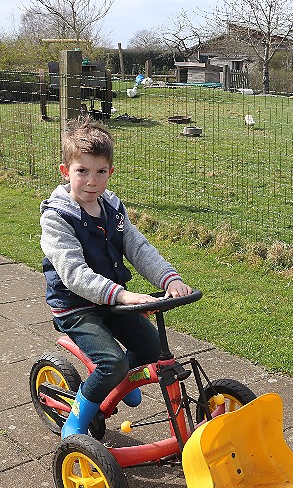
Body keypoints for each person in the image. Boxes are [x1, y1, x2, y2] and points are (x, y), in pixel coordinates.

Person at [40, 118, 192, 437]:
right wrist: (123, 295)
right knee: (112, 363)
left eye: (100, 172)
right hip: (76, 307)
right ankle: (77, 421)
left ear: (111, 172)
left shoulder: (112, 209)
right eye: (82, 171)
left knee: (153, 348)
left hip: (110, 300)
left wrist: (169, 279)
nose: (92, 181)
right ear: (65, 171)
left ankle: (118, 382)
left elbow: (137, 247)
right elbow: (74, 273)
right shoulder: (57, 218)